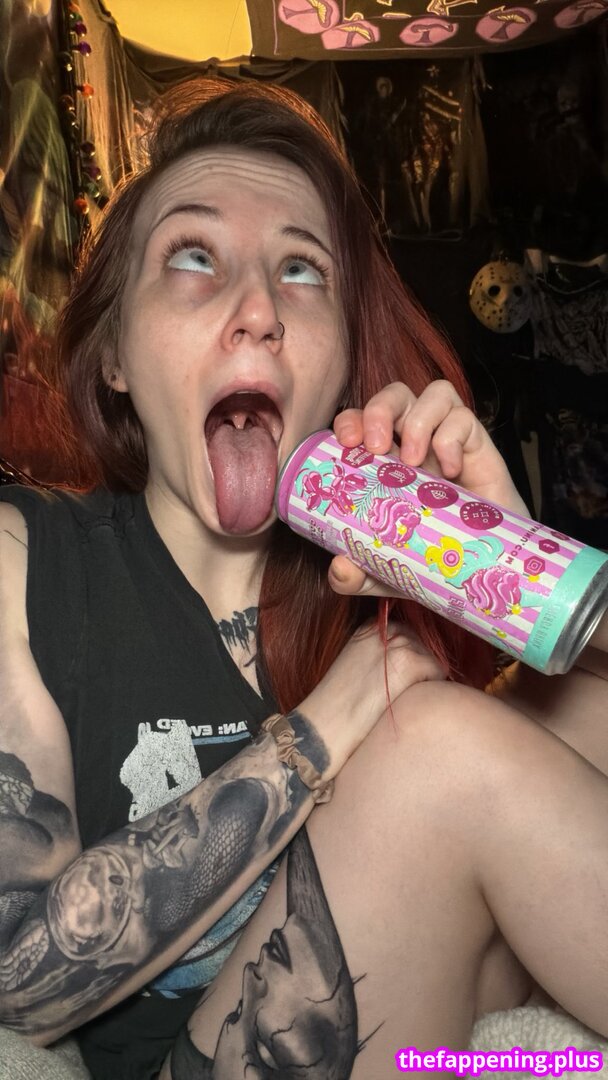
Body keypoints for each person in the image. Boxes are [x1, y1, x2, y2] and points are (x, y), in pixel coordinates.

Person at [0, 76, 607, 1080]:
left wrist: (519, 568)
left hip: (399, 1015)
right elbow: (16, 978)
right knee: (431, 744)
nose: (256, 310)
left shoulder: (372, 574)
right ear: (113, 356)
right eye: (194, 257)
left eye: (300, 270)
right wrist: (335, 719)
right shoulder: (28, 559)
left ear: (339, 363)